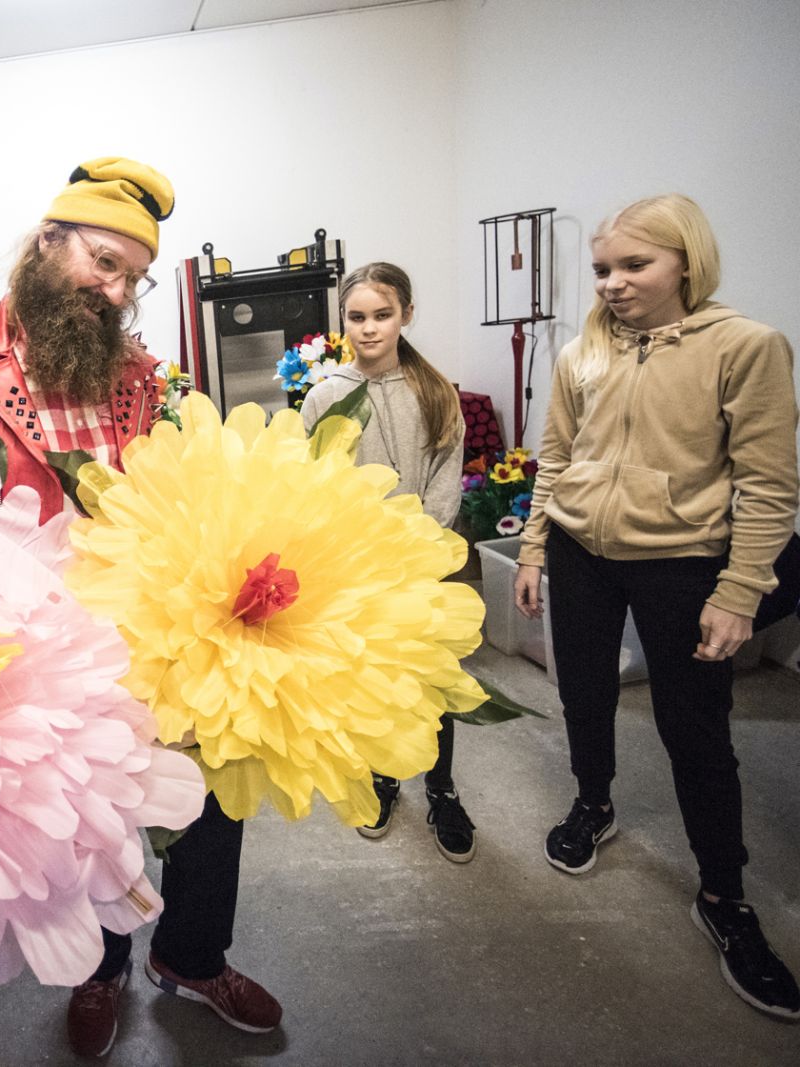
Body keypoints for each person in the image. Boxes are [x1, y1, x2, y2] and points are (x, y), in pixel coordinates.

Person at [0, 157, 282, 1058]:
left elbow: (173, 498)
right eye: (102, 262)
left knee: (208, 799)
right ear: (46, 243)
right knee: (92, 823)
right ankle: (100, 970)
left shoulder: (140, 375)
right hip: (27, 658)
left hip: (153, 632)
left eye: (132, 277)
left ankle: (190, 956)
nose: (114, 290)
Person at [513, 194, 799, 1020]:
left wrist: (741, 591)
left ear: (686, 264)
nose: (613, 283)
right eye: (603, 269)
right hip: (580, 553)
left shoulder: (745, 347)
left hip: (683, 563)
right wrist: (534, 549)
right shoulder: (582, 353)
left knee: (694, 726)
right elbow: (555, 457)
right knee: (584, 695)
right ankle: (593, 801)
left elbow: (769, 483)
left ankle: (723, 893)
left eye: (635, 265)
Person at [299, 263, 473, 862]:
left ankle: (442, 788)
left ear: (406, 315)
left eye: (383, 315)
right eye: (357, 317)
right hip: (358, 569)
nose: (369, 329)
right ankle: (383, 776)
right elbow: (315, 483)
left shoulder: (434, 389)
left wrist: (421, 544)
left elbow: (447, 477)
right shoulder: (324, 396)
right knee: (373, 679)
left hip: (424, 564)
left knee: (433, 679)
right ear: (341, 320)